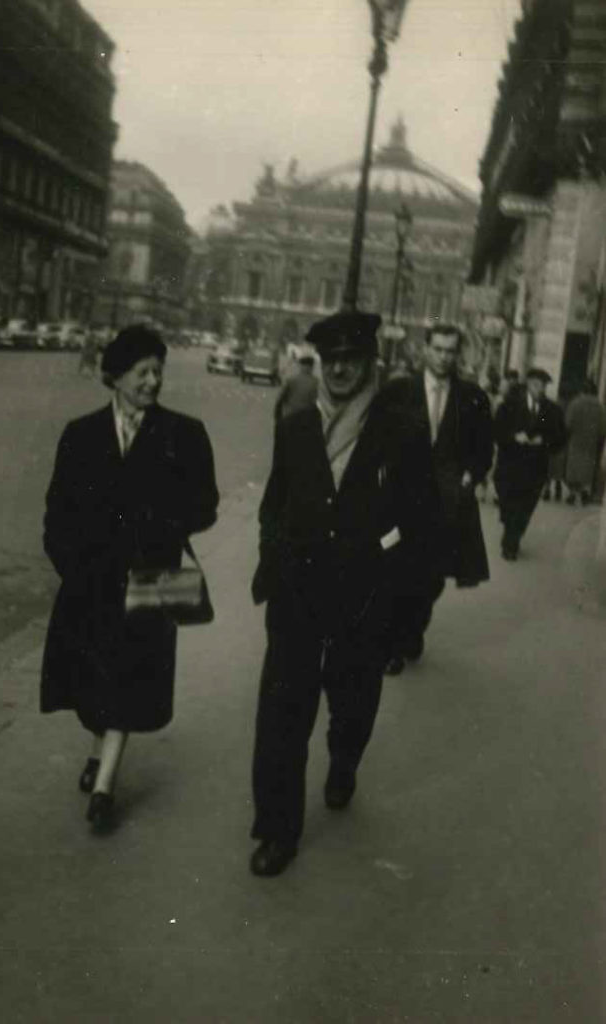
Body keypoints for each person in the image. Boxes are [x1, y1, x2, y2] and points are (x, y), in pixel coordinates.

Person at [248, 311, 442, 877]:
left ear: (369, 363)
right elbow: (273, 507)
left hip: (364, 600)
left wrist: (402, 608)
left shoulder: (400, 431)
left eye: (350, 359)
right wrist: (272, 562)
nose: (338, 369)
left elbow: (423, 523)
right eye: (329, 359)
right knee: (282, 715)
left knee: (353, 704)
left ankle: (344, 757)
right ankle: (277, 831)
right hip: (298, 597)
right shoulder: (296, 426)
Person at [41, 325, 219, 831]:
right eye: (142, 372)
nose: (153, 381)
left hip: (152, 578)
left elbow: (205, 507)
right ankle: (99, 752)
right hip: (91, 581)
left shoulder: (184, 435)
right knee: (94, 678)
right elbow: (57, 510)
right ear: (115, 377)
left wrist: (164, 521)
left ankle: (104, 788)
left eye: (158, 371)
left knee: (127, 679)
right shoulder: (80, 434)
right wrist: (70, 565)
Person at [382, 324, 493, 674]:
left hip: (445, 505)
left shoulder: (472, 398)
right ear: (425, 350)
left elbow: (483, 450)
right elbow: (376, 441)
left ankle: (414, 628)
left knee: (431, 579)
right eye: (438, 349)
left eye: (450, 351)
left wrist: (469, 476)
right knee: (396, 573)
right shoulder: (398, 392)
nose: (444, 357)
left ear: (457, 354)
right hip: (400, 501)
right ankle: (394, 646)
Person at [494, 367, 567, 560]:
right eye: (535, 385)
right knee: (509, 505)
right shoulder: (510, 405)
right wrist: (513, 437)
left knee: (525, 507)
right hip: (510, 466)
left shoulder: (551, 410)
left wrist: (543, 441)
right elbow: (496, 430)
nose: (539, 389)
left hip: (535, 469)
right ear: (528, 385)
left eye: (542, 386)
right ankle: (511, 537)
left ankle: (512, 540)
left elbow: (560, 438)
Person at [564, 380, 606, 506]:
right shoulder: (600, 407)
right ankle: (584, 490)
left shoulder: (575, 403)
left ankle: (572, 492)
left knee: (574, 466)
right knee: (588, 466)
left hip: (576, 440)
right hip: (591, 442)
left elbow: (568, 423)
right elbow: (603, 428)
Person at [274, 343, 318, 421]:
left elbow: (280, 398)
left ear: (301, 365)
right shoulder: (317, 383)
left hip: (290, 417)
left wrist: (277, 414)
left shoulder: (291, 380)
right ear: (312, 366)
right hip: (308, 421)